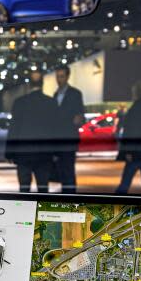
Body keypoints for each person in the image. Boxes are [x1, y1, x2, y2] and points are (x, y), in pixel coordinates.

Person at [5, 71, 59, 193]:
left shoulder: (19, 103)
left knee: (24, 188)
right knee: (43, 188)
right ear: (42, 84)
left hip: (24, 153)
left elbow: (14, 128)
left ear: (29, 85)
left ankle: (24, 211)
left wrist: (9, 152)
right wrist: (57, 151)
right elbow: (55, 129)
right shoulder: (51, 103)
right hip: (44, 154)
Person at [52, 65, 85, 193]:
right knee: (62, 171)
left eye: (61, 76)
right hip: (58, 139)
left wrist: (77, 119)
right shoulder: (55, 95)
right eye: (57, 76)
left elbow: (80, 116)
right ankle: (66, 196)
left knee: (69, 171)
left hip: (69, 138)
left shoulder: (75, 94)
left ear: (67, 77)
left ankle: (70, 198)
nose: (59, 79)